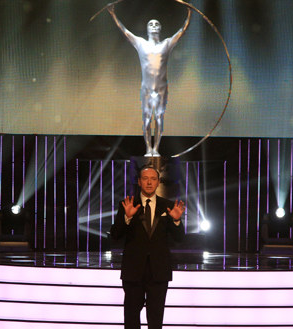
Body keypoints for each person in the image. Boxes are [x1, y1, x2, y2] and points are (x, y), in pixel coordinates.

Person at [108, 6, 191, 157]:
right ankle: (148, 149)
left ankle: (156, 149)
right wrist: (113, 14)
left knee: (159, 119)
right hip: (146, 88)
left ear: (160, 28)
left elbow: (182, 31)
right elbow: (125, 31)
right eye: (151, 24)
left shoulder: (166, 44)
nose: (153, 26)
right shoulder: (140, 43)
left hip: (161, 88)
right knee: (146, 120)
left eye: (156, 24)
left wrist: (190, 13)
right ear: (147, 29)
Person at [110, 165, 186, 329]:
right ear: (139, 182)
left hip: (158, 272)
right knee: (131, 316)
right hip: (133, 271)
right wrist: (126, 217)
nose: (149, 182)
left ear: (158, 182)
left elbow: (179, 239)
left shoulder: (168, 205)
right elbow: (115, 235)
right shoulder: (127, 204)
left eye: (153, 179)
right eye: (145, 179)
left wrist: (176, 221)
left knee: (156, 318)